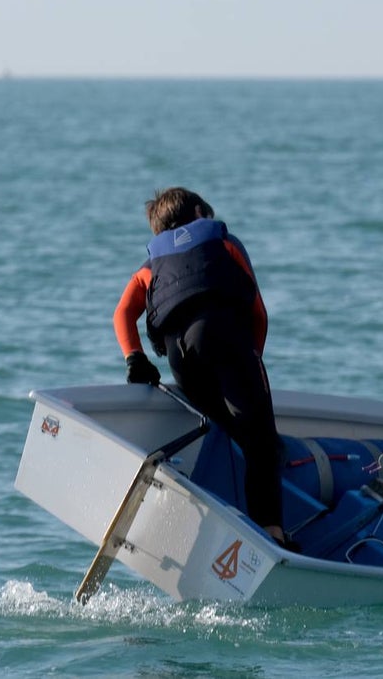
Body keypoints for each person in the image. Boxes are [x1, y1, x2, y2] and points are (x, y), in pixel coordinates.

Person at [112, 187, 288, 547]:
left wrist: (135, 358)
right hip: (223, 337)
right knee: (262, 443)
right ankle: (272, 534)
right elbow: (257, 311)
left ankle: (216, 521)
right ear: (198, 212)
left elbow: (123, 313)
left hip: (180, 356)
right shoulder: (225, 241)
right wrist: (253, 361)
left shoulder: (151, 266)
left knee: (226, 426)